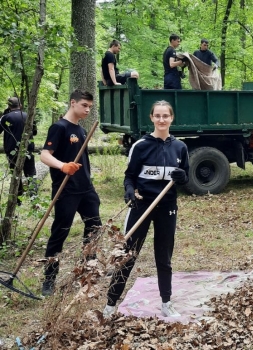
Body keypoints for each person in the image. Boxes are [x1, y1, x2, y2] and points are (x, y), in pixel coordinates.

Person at [103, 100, 190, 319]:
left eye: (166, 116)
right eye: (157, 116)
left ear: (172, 118)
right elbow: (129, 176)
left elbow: (185, 177)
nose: (162, 120)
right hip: (141, 205)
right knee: (128, 255)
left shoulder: (180, 147)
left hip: (167, 207)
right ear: (151, 118)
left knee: (164, 257)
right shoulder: (140, 145)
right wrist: (129, 191)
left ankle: (166, 303)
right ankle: (110, 305)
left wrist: (182, 178)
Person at [40, 90, 102, 296]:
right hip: (66, 190)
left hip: (86, 188)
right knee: (60, 232)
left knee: (94, 227)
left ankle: (88, 268)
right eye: (84, 105)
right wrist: (62, 166)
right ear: (72, 102)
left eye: (90, 107)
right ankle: (49, 279)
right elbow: (45, 155)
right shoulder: (59, 127)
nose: (87, 110)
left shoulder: (81, 129)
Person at [0, 97, 38, 203]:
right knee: (31, 173)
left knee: (16, 175)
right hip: (28, 149)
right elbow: (34, 132)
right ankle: (34, 198)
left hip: (12, 150)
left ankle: (18, 199)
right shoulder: (28, 116)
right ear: (20, 105)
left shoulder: (5, 117)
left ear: (9, 106)